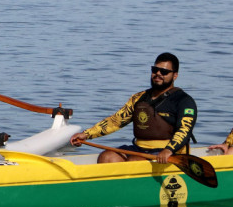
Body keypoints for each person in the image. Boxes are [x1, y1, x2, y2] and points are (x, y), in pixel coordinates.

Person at [69, 53, 197, 164]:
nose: (158, 74)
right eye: (155, 70)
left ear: (175, 76)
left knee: (134, 161)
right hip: (139, 149)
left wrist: (169, 150)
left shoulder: (184, 101)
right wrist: (86, 134)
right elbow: (116, 120)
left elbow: (184, 130)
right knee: (107, 157)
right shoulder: (138, 98)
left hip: (169, 152)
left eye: (164, 72)